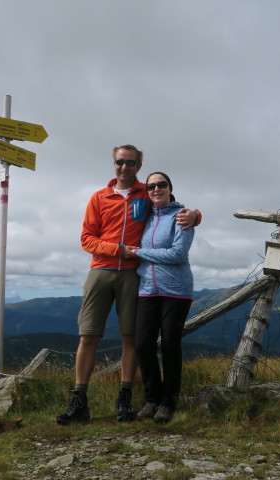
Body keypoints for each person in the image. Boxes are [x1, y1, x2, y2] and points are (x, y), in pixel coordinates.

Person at [56, 145, 199, 426]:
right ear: (114, 163)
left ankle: (126, 400)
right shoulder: (99, 197)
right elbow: (86, 239)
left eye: (131, 162)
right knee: (88, 335)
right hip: (102, 269)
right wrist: (119, 250)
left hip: (135, 275)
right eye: (120, 162)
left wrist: (195, 216)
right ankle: (79, 401)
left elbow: (171, 208)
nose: (125, 167)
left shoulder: (144, 195)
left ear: (139, 164)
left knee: (131, 339)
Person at [124, 172, 194, 424]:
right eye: (151, 186)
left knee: (170, 345)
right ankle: (151, 399)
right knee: (143, 345)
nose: (156, 189)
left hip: (176, 290)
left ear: (170, 188)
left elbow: (177, 254)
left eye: (161, 185)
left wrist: (141, 253)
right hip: (147, 289)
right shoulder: (144, 216)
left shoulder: (183, 216)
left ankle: (168, 402)